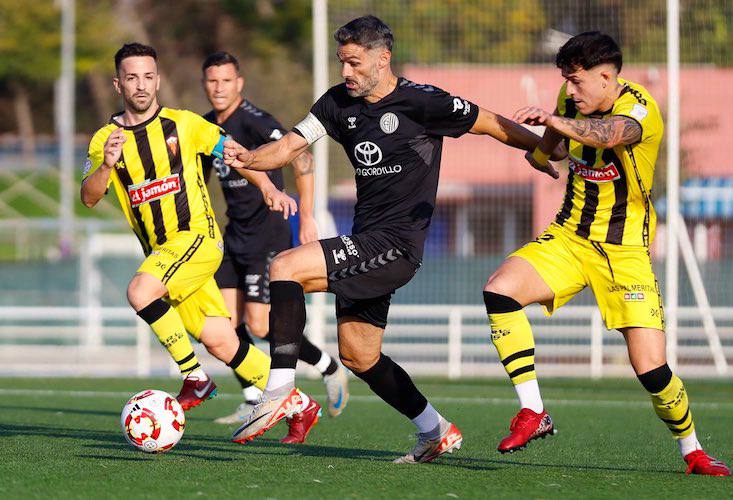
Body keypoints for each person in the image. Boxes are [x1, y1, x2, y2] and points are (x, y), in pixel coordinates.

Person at [222, 16, 563, 462]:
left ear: (383, 59)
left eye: (354, 63)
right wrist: (250, 157)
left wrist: (539, 150)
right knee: (359, 356)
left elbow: (493, 124)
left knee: (286, 266)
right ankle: (435, 429)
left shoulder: (424, 102)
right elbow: (289, 146)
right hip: (368, 240)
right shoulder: (336, 103)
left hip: (397, 244)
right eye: (342, 62)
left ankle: (280, 389)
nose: (346, 72)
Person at [484, 32, 730, 476]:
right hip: (569, 237)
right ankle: (534, 411)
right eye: (566, 82)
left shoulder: (639, 109)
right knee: (499, 292)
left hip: (625, 252)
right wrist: (542, 152)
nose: (570, 91)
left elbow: (608, 134)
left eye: (577, 83)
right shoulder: (572, 98)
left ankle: (692, 451)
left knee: (651, 369)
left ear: (606, 76)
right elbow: (558, 145)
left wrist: (555, 123)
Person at [80, 43, 313, 419]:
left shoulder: (184, 124)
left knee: (140, 291)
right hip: (164, 256)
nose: (141, 85)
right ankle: (300, 404)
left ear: (157, 81)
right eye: (132, 77)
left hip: (197, 240)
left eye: (148, 77)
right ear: (117, 84)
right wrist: (106, 165)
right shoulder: (104, 139)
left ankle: (194, 377)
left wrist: (269, 187)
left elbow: (234, 154)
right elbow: (89, 197)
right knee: (221, 341)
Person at [200, 51, 349, 439]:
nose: (219, 89)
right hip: (233, 235)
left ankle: (329, 367)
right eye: (212, 81)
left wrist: (308, 217)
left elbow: (301, 159)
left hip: (269, 231)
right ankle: (252, 396)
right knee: (225, 326)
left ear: (239, 83)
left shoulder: (255, 121)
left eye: (226, 81)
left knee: (263, 324)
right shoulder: (205, 127)